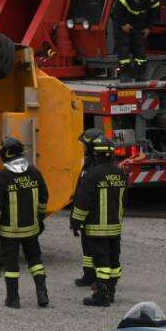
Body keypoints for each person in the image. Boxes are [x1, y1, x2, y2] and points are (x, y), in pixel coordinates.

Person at [0, 137, 50, 309]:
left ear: (5, 154)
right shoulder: (35, 172)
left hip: (9, 232)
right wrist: (40, 218)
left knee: (11, 266)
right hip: (31, 229)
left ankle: (13, 299)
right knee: (35, 261)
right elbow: (44, 198)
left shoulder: (2, 176)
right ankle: (42, 294)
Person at [69, 129, 128, 307]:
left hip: (96, 227)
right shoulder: (120, 174)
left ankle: (101, 296)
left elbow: (82, 202)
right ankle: (111, 291)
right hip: (115, 227)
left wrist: (75, 222)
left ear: (96, 152)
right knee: (114, 260)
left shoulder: (92, 174)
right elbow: (123, 201)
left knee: (101, 261)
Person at [112, 0, 160, 82]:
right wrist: (123, 24)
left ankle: (141, 74)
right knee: (123, 49)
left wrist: (148, 27)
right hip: (123, 22)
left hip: (139, 23)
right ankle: (125, 74)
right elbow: (117, 9)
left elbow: (154, 14)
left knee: (140, 49)